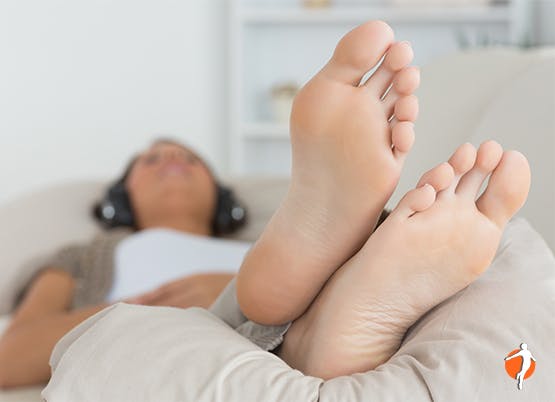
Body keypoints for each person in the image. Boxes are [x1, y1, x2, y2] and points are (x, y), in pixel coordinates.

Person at [0, 139, 251, 388]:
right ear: (121, 196)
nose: (173, 158)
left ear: (221, 197)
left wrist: (238, 295)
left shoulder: (263, 249)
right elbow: (9, 360)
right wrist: (137, 313)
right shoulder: (81, 258)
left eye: (190, 159)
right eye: (152, 160)